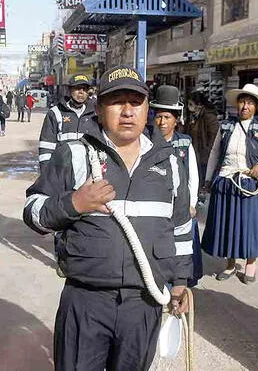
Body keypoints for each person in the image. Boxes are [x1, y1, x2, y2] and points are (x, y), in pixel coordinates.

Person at [23, 65, 193, 370]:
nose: (127, 111)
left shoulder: (168, 162)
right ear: (99, 109)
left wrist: (180, 282)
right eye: (116, 102)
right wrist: (74, 204)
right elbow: (33, 212)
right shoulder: (74, 154)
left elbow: (181, 227)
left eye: (135, 102)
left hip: (144, 303)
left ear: (146, 109)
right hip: (86, 300)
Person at [201, 84, 258, 283]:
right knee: (230, 226)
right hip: (228, 181)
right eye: (242, 102)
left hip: (251, 184)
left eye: (249, 103)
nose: (245, 106)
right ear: (237, 104)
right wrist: (209, 179)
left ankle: (250, 263)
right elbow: (215, 153)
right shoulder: (227, 125)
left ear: (256, 107)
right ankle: (230, 264)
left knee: (250, 226)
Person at [151, 85, 203, 286]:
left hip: (180, 204)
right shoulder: (146, 142)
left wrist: (192, 203)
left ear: (176, 120)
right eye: (159, 116)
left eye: (167, 117)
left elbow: (193, 176)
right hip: (157, 203)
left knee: (181, 248)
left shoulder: (184, 143)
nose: (162, 122)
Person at [37, 74, 97, 171]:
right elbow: (46, 147)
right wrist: (46, 175)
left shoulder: (94, 114)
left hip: (88, 174)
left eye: (85, 89)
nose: (81, 92)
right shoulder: (55, 113)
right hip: (63, 171)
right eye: (78, 88)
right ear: (70, 90)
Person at [184, 88, 219, 186]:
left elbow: (214, 138)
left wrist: (208, 153)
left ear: (199, 105)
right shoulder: (193, 117)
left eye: (191, 104)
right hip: (194, 155)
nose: (188, 107)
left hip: (204, 158)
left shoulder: (209, 117)